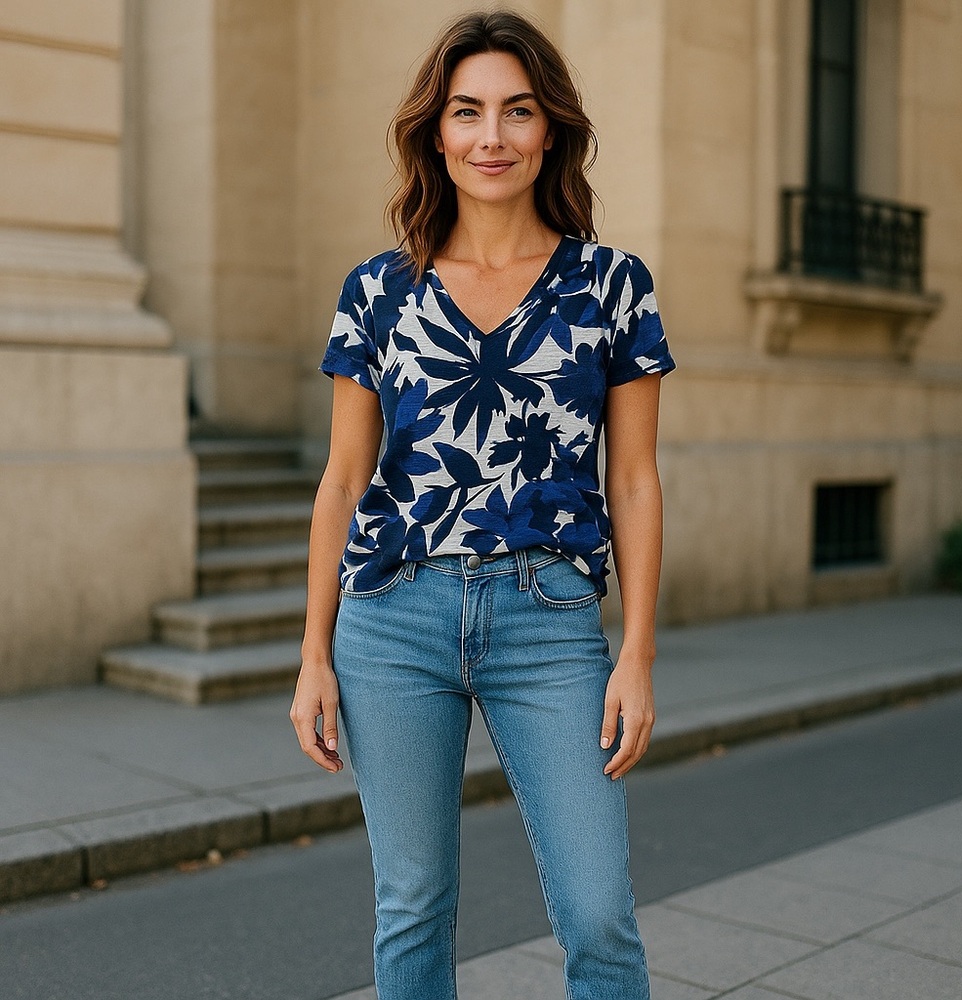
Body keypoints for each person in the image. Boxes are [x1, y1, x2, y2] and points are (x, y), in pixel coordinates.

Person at [290, 9, 675, 999]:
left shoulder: (610, 286)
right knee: (411, 907)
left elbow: (632, 478)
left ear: (550, 130)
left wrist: (634, 651)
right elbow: (342, 479)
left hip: (548, 618)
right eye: (466, 113)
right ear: (436, 131)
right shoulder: (378, 290)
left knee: (597, 913)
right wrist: (312, 655)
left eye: (516, 111)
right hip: (392, 616)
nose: (490, 137)